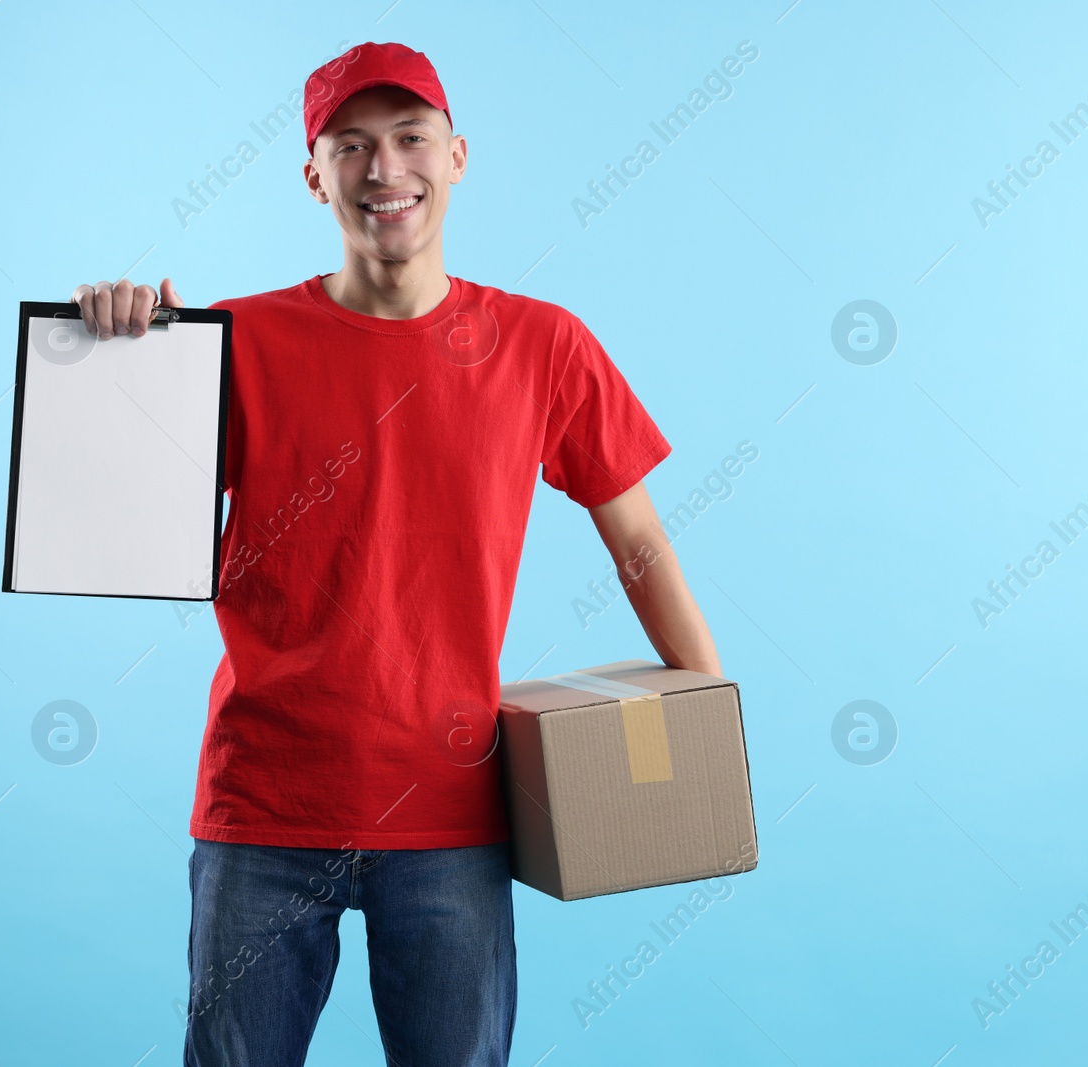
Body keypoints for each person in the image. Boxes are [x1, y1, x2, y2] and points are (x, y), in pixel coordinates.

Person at [71, 41, 721, 1067]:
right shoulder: (233, 340)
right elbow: (112, 525)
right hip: (263, 809)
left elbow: (636, 534)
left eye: (410, 139)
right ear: (313, 174)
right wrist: (115, 362)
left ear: (457, 156)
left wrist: (704, 711)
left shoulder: (543, 343)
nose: (385, 171)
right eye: (353, 146)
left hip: (452, 812)